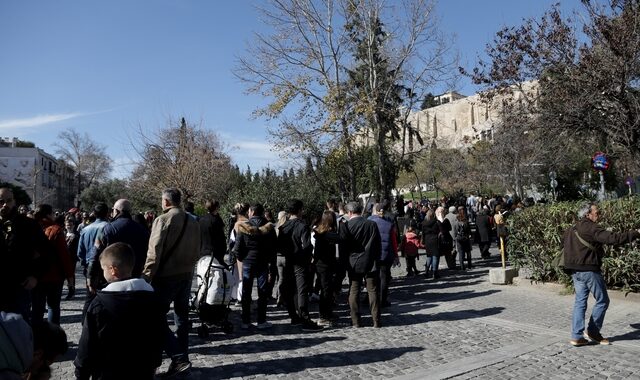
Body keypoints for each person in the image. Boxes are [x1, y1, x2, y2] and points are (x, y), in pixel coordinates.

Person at [74, 242, 165, 379]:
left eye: (103, 269)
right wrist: (155, 362)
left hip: (108, 371)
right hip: (143, 370)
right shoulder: (153, 299)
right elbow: (159, 334)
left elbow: (87, 344)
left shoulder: (99, 304)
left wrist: (81, 372)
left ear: (112, 270)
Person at [563, 202, 640, 347]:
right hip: (589, 270)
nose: (599, 215)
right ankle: (593, 331)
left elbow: (563, 245)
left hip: (575, 271)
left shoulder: (572, 228)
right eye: (596, 212)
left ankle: (576, 336)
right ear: (588, 214)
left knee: (580, 302)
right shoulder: (591, 227)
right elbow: (613, 239)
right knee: (603, 300)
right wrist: (635, 233)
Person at [143, 188, 200, 377]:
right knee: (182, 319)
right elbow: (197, 248)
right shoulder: (193, 220)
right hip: (186, 274)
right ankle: (181, 357)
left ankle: (176, 358)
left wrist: (146, 276)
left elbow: (154, 251)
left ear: (166, 202)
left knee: (155, 319)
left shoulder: (163, 220)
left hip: (165, 276)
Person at [0, 187, 50, 321]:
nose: (5, 204)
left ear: (14, 201)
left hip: (19, 287)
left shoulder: (29, 225)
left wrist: (35, 276)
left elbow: (45, 251)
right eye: (1, 201)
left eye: (8, 200)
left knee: (19, 331)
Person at [278, 199, 322, 331]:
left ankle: (293, 316)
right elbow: (307, 246)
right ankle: (304, 317)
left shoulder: (283, 226)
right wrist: (308, 258)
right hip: (299, 261)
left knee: (290, 289)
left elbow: (279, 245)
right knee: (301, 289)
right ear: (299, 210)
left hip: (288, 260)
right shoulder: (302, 226)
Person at [89, 199, 151, 293]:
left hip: (112, 277)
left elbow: (96, 253)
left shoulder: (107, 229)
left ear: (117, 211)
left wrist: (91, 277)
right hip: (135, 276)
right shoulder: (142, 230)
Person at [231, 203, 277, 330]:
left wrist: (242, 258)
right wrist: (271, 264)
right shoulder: (269, 227)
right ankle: (261, 320)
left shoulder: (244, 226)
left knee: (246, 291)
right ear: (262, 212)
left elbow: (237, 248)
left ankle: (246, 320)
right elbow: (273, 248)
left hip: (248, 262)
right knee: (263, 292)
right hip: (263, 262)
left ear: (251, 212)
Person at [31, 204, 75, 325]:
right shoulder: (55, 230)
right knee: (53, 307)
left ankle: (36, 336)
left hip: (36, 276)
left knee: (37, 308)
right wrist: (70, 278)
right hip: (54, 276)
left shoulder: (31, 228)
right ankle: (52, 336)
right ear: (49, 214)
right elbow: (64, 257)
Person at [340, 201, 381, 328]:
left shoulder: (347, 226)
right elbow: (377, 244)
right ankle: (376, 320)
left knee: (354, 291)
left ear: (350, 212)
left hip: (354, 262)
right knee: (372, 291)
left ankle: (356, 321)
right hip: (371, 261)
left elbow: (343, 246)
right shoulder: (372, 224)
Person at [367, 200, 399, 308]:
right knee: (384, 278)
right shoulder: (389, 223)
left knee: (372, 278)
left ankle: (371, 299)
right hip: (386, 254)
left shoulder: (369, 221)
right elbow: (393, 241)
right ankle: (383, 300)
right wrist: (396, 255)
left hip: (372, 254)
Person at [312, 210, 340, 326]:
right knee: (325, 291)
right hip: (324, 266)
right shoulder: (324, 234)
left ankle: (328, 313)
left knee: (327, 290)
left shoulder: (322, 233)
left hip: (325, 265)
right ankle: (323, 316)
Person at [199, 199, 227, 265]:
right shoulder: (217, 220)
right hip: (215, 252)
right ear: (216, 208)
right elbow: (221, 237)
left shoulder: (201, 219)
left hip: (203, 251)